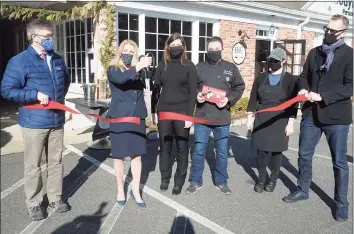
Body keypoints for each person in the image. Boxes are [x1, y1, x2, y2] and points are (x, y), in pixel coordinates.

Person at [282, 14, 353, 222]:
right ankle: (302, 189)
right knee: (304, 155)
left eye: (333, 31)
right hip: (311, 114)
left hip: (336, 118)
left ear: (343, 33)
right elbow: (304, 76)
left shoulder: (350, 55)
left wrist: (323, 96)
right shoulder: (315, 52)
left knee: (339, 163)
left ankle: (341, 203)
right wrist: (304, 88)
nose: (328, 33)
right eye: (326, 29)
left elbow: (350, 86)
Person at [1, 19, 71, 221]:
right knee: (33, 166)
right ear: (33, 37)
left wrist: (57, 102)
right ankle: (34, 203)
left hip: (56, 121)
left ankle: (55, 199)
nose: (50, 40)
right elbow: (7, 91)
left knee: (56, 162)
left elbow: (64, 82)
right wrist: (34, 94)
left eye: (51, 36)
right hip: (34, 123)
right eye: (46, 37)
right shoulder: (19, 61)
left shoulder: (57, 59)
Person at [185, 36, 245, 195]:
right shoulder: (199, 67)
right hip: (202, 116)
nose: (213, 52)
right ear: (207, 50)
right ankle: (195, 180)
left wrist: (228, 99)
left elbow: (240, 86)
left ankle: (221, 181)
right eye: (210, 49)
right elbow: (191, 87)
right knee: (198, 150)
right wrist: (197, 94)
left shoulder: (231, 68)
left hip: (222, 116)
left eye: (216, 49)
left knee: (222, 152)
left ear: (222, 49)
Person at [107, 39, 152, 208]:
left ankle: (136, 189)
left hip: (137, 118)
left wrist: (146, 69)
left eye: (131, 51)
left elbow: (148, 85)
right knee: (119, 155)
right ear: (120, 52)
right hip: (120, 118)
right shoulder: (113, 69)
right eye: (125, 50)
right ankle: (120, 188)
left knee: (137, 155)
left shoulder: (138, 71)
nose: (128, 53)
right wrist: (139, 66)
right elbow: (121, 80)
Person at [246, 48, 298, 193]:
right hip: (262, 118)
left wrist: (291, 123)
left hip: (280, 119)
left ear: (283, 61)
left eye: (275, 61)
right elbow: (252, 99)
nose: (272, 63)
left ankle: (273, 179)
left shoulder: (289, 79)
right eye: (270, 60)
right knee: (261, 151)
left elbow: (294, 104)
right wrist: (250, 119)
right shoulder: (261, 78)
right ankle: (261, 178)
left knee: (276, 152)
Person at [153, 33, 198, 195]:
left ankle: (179, 180)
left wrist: (189, 116)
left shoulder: (189, 66)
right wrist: (153, 110)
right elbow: (156, 90)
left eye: (178, 45)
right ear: (168, 47)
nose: (175, 48)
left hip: (182, 112)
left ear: (183, 47)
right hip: (164, 111)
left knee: (181, 148)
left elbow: (193, 93)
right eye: (172, 46)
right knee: (165, 147)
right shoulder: (162, 65)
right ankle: (165, 178)